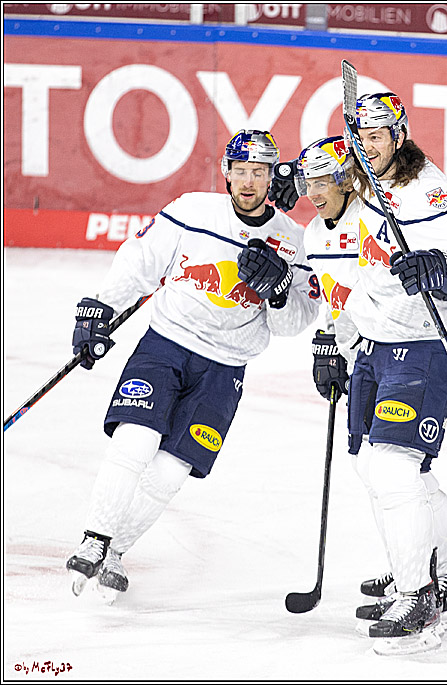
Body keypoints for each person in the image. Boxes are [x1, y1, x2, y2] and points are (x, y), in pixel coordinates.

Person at [280, 93, 447, 654]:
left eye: (379, 136)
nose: (369, 146)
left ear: (399, 136)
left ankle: (419, 600)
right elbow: (337, 272)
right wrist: (332, 343)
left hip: (426, 343)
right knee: (384, 473)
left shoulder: (427, 189)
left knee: (392, 467)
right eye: (362, 136)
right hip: (375, 343)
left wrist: (442, 267)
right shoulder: (360, 189)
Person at [65, 130, 318, 600]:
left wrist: (278, 291)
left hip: (226, 367)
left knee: (172, 469)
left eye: (258, 172)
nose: (248, 181)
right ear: (225, 172)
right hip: (167, 345)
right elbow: (141, 259)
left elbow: (294, 322)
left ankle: (116, 552)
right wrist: (99, 307)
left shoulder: (293, 241)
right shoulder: (193, 210)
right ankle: (94, 537)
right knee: (135, 439)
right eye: (240, 170)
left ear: (273, 177)